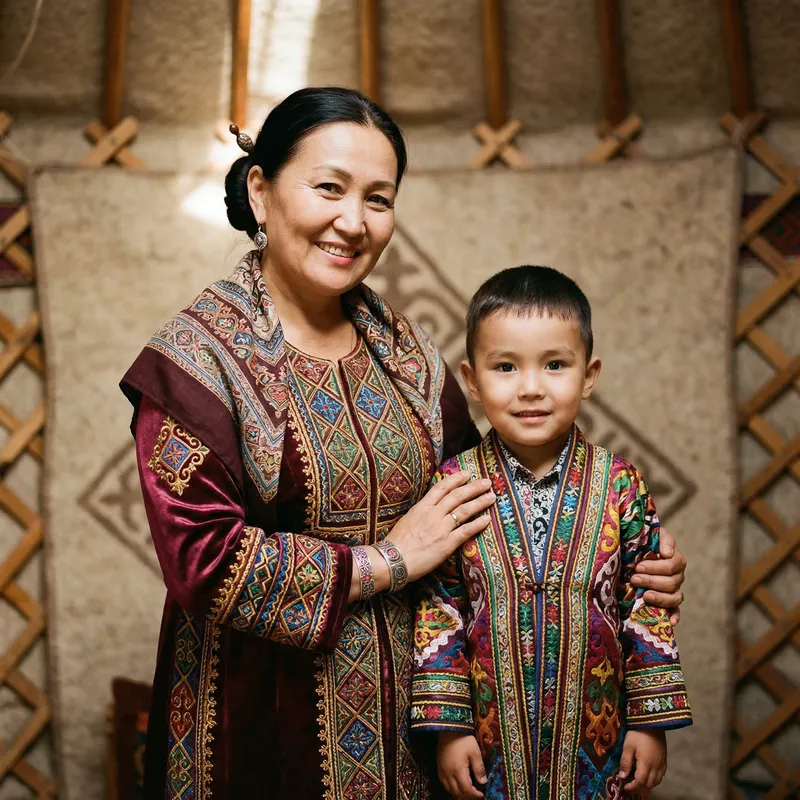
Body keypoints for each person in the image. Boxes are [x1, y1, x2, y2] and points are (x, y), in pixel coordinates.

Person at [120, 88, 688, 799]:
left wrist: (628, 557)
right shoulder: (193, 363)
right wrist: (388, 561)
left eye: (378, 199)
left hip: (426, 730)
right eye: (329, 188)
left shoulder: (409, 354)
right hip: (258, 722)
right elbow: (204, 563)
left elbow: (489, 500)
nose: (352, 222)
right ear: (261, 192)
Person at [410, 266, 693, 800]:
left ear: (589, 375)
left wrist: (650, 723)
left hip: (599, 745)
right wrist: (449, 730)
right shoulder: (454, 487)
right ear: (472, 380)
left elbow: (647, 605)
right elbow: (439, 608)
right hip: (489, 748)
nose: (531, 388)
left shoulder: (621, 486)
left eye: (555, 365)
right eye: (506, 367)